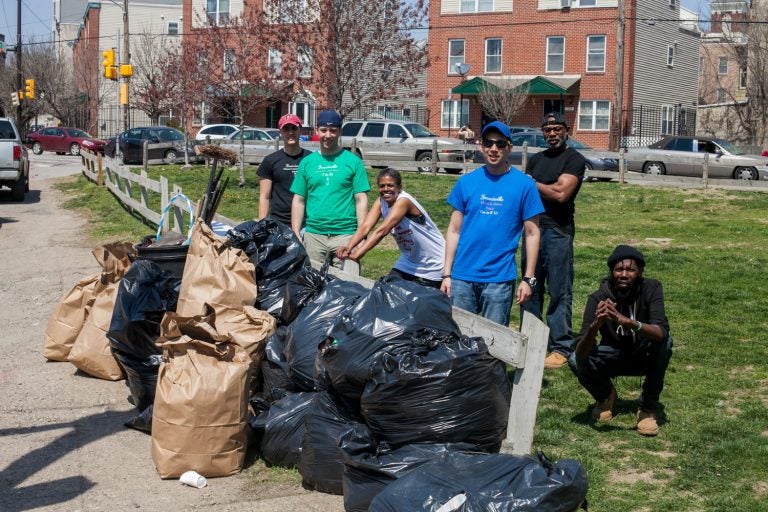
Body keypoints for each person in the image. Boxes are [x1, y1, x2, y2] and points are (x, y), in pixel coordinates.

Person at [441, 121, 544, 326]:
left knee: (495, 347)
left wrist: (529, 279)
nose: (494, 149)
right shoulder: (466, 182)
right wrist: (446, 274)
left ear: (509, 148)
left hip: (499, 279)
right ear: (481, 147)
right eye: (488, 143)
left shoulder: (524, 185)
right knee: (459, 343)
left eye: (500, 144)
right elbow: (454, 230)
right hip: (462, 277)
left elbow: (532, 233)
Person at [569, 245, 672, 437]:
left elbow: (661, 333)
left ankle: (648, 409)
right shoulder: (598, 297)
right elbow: (581, 353)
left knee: (665, 344)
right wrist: (595, 325)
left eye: (630, 269)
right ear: (611, 272)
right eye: (618, 269)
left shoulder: (652, 288)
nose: (624, 274)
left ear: (640, 272)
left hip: (644, 354)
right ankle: (605, 396)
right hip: (612, 355)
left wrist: (626, 321)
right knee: (574, 358)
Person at [522, 111, 587, 369]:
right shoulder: (536, 160)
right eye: (547, 130)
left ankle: (561, 346)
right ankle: (530, 340)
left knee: (559, 289)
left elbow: (561, 194)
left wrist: (531, 183)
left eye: (557, 129)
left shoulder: (574, 159)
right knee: (530, 287)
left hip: (559, 231)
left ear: (566, 130)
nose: (552, 134)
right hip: (532, 230)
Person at [290, 109, 370, 274]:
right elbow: (299, 200)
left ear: (340, 132)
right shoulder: (307, 163)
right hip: (314, 235)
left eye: (333, 130)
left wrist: (361, 234)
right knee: (310, 284)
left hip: (346, 235)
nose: (328, 135)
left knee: (349, 287)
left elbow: (361, 199)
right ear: (317, 131)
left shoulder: (353, 162)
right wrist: (296, 232)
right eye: (324, 130)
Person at [337, 168, 445, 288]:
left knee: (421, 303)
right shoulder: (380, 201)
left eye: (390, 185)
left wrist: (358, 254)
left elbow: (382, 231)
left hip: (434, 262)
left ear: (399, 187)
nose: (386, 189)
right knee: (386, 290)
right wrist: (349, 247)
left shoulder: (404, 201)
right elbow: (365, 227)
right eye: (382, 186)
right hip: (409, 261)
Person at [257, 114, 312, 226]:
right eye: (286, 129)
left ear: (300, 130)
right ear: (280, 132)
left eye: (294, 128)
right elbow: (264, 197)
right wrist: (261, 226)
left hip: (307, 223)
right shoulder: (270, 161)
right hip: (279, 222)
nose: (290, 132)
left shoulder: (311, 159)